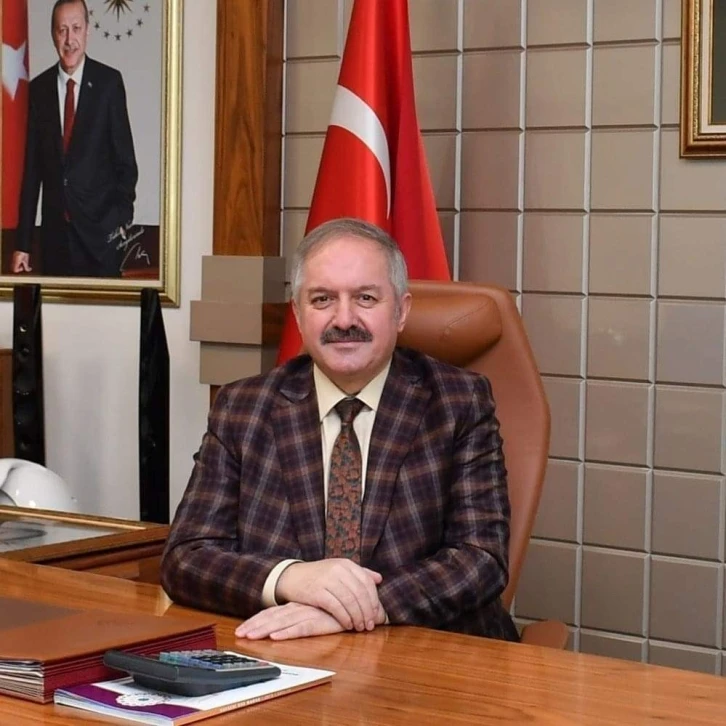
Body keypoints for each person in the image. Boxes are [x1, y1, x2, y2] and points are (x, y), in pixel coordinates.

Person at [161, 217, 517, 642]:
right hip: (289, 655)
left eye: (365, 298)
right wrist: (291, 578)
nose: (344, 319)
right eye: (322, 299)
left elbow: (481, 558)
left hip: (427, 653)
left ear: (401, 311)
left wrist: (358, 609)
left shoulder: (458, 402)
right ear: (298, 314)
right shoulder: (244, 407)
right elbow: (186, 557)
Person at [13, 0, 138, 278]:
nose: (70, 40)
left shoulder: (109, 84)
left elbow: (126, 164)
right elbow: (32, 174)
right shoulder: (39, 91)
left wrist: (119, 221)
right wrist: (23, 244)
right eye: (62, 30)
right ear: (53, 35)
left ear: (87, 31)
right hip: (55, 243)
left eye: (76, 28)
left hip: (101, 243)